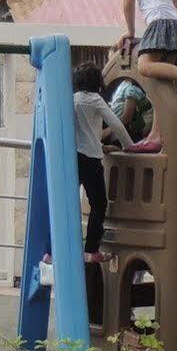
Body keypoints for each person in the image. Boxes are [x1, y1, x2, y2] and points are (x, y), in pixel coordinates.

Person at [73, 62, 131, 262]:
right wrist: (129, 145)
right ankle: (91, 250)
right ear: (97, 82)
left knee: (69, 202)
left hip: (74, 157)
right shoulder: (96, 100)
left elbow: (82, 131)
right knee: (98, 204)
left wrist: (102, 146)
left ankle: (57, 248)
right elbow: (116, 124)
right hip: (91, 160)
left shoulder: (73, 100)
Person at [109, 72, 153, 143]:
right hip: (122, 133)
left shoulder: (126, 86)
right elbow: (126, 118)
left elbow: (127, 118)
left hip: (122, 133)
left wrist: (110, 130)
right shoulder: (129, 87)